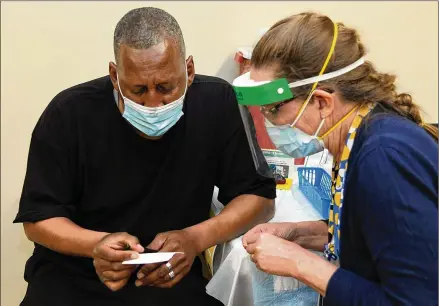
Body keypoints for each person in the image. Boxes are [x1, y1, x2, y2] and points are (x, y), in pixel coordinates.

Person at [14, 7, 276, 306]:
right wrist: (96, 246)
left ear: (189, 70)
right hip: (75, 270)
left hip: (169, 274)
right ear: (115, 75)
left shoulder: (218, 103)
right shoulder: (68, 113)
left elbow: (259, 199)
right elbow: (38, 219)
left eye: (166, 87)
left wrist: (195, 238)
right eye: (137, 89)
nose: (152, 102)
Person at [234, 12, 438, 305]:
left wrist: (300, 264)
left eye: (274, 110)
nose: (269, 123)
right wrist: (299, 235)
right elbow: (374, 239)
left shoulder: (383, 159)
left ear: (322, 102)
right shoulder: (361, 135)